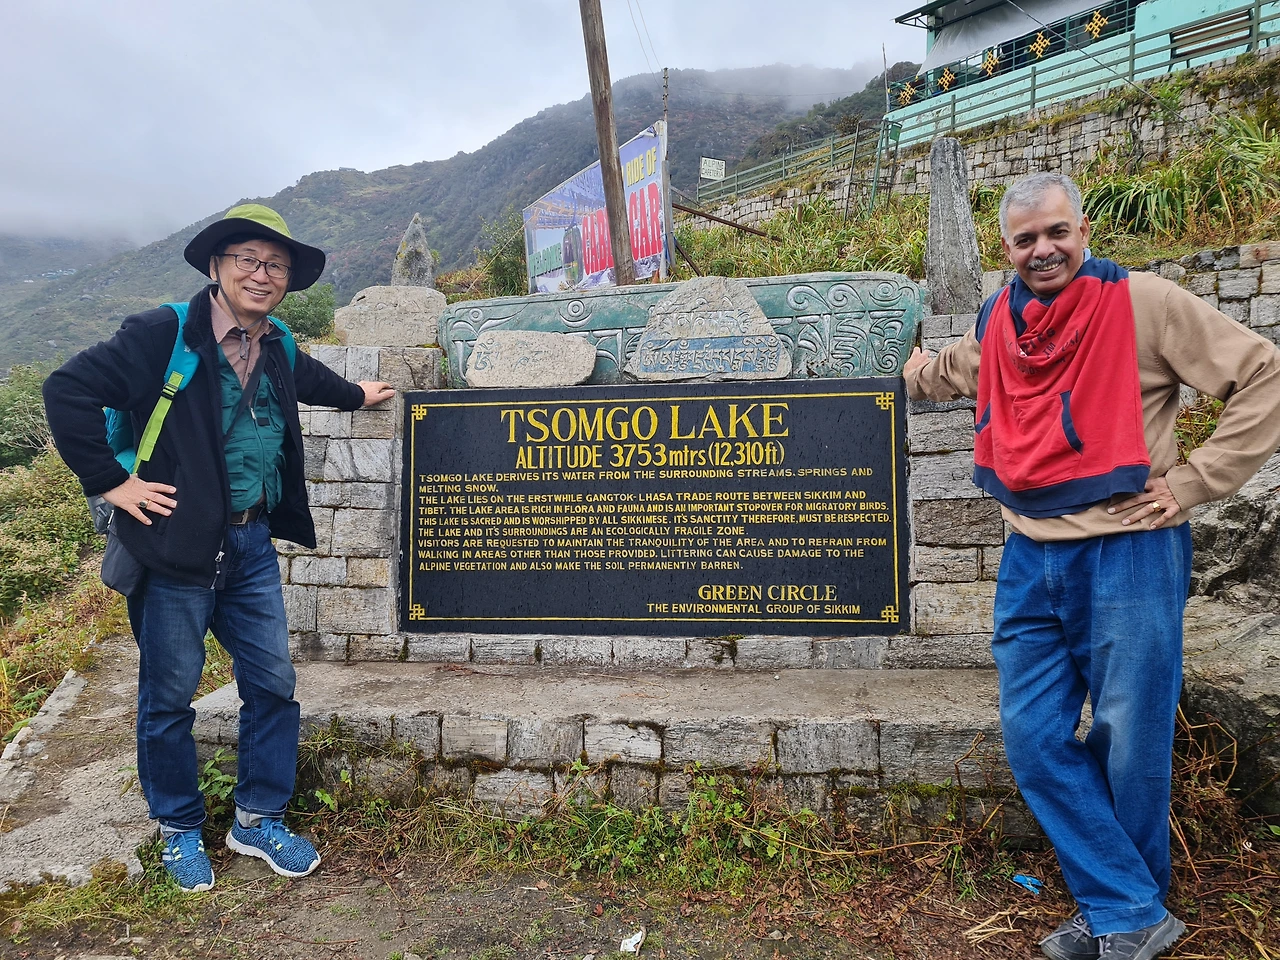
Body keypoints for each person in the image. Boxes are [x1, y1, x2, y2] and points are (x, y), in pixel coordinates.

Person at [904, 173, 1280, 960]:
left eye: (1057, 232)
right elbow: (958, 368)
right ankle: (1130, 906)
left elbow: (1263, 374)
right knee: (1033, 736)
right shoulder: (1002, 319)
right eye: (1025, 239)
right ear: (1007, 248)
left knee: (1129, 740)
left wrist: (1194, 481)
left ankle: (1122, 913)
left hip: (1128, 551)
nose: (1042, 250)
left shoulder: (1145, 303)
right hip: (1028, 557)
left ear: (1083, 230)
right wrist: (908, 370)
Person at [43, 204, 396, 892]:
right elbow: (68, 389)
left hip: (251, 542)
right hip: (173, 546)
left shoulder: (276, 343)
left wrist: (358, 394)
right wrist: (112, 482)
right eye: (248, 260)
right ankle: (178, 827)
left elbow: (311, 380)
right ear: (216, 266)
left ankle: (257, 818)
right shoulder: (162, 335)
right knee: (170, 695)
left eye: (276, 265)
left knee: (272, 684)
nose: (262, 275)